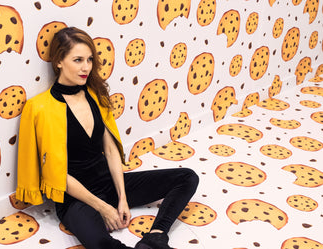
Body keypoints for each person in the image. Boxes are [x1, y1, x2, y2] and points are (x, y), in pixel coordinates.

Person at [16, 27, 199, 249]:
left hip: (107, 183)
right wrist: (103, 208)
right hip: (75, 199)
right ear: (59, 62)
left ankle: (156, 237)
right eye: (78, 60)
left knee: (187, 177)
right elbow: (58, 175)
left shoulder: (95, 94)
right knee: (100, 243)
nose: (86, 67)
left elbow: (111, 151)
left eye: (90, 59)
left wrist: (122, 198)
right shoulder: (40, 108)